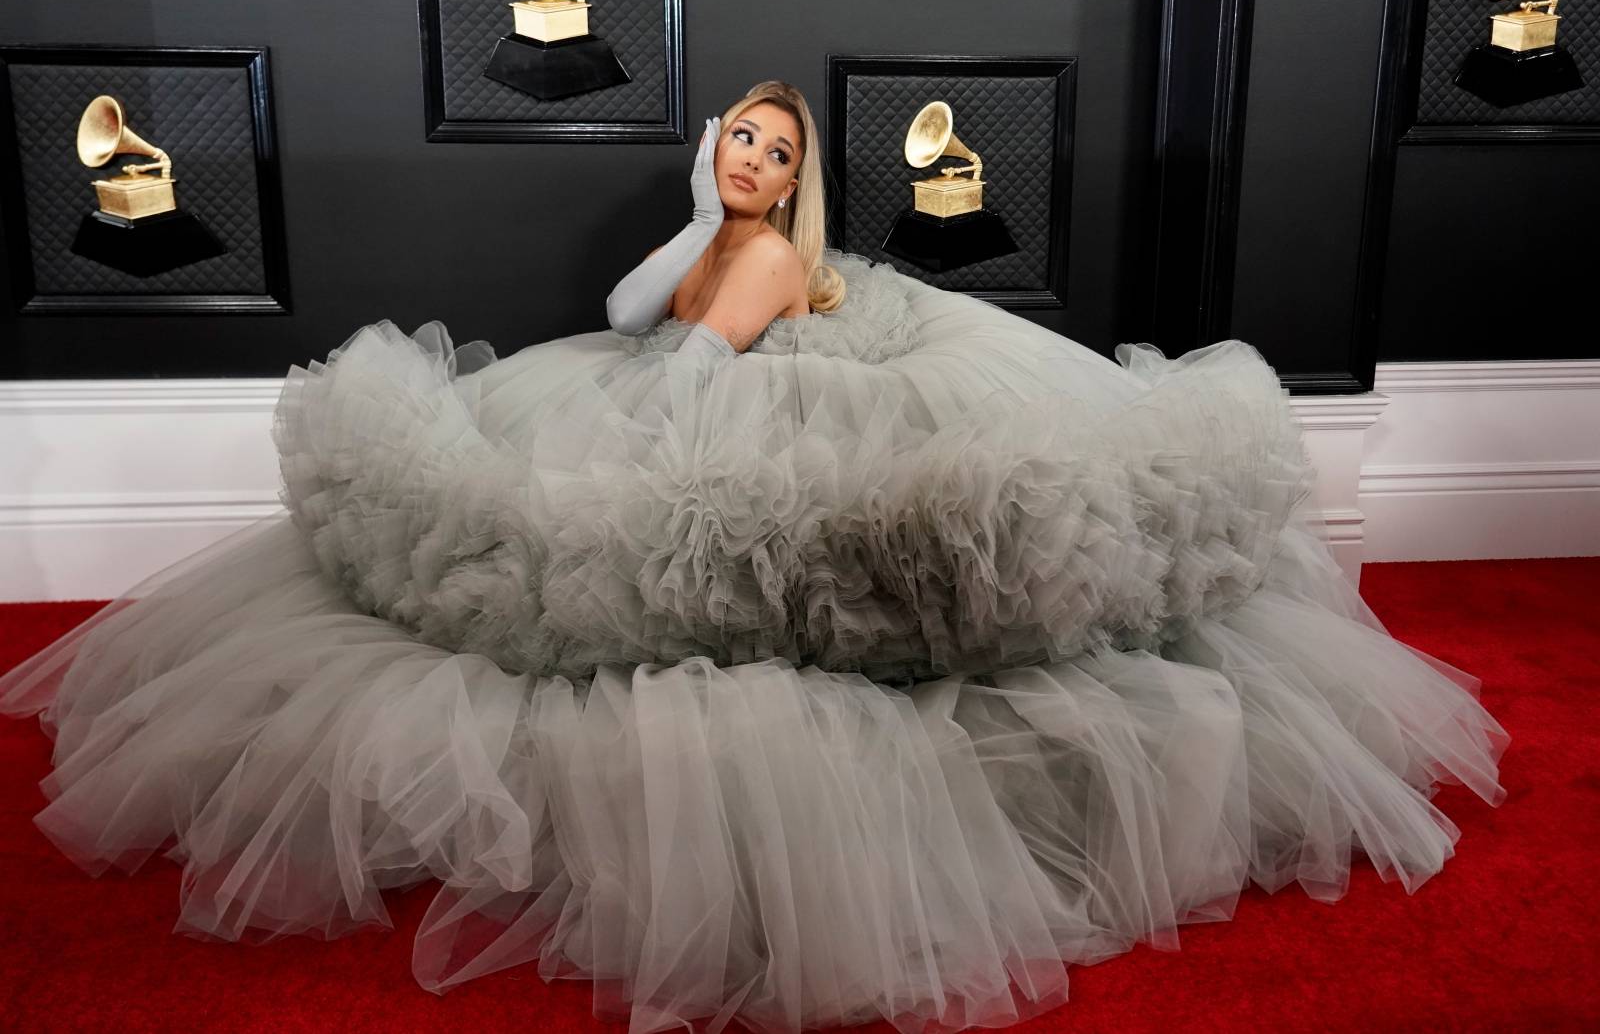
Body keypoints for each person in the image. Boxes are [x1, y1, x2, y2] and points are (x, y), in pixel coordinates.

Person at [0, 79, 1508, 1034]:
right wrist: (694, 210)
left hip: (733, 400)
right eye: (741, 138)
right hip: (695, 358)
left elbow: (695, 364)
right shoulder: (726, 226)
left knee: (693, 571)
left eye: (775, 153)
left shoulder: (776, 253)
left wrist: (633, 429)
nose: (753, 160)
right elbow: (632, 299)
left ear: (797, 184)